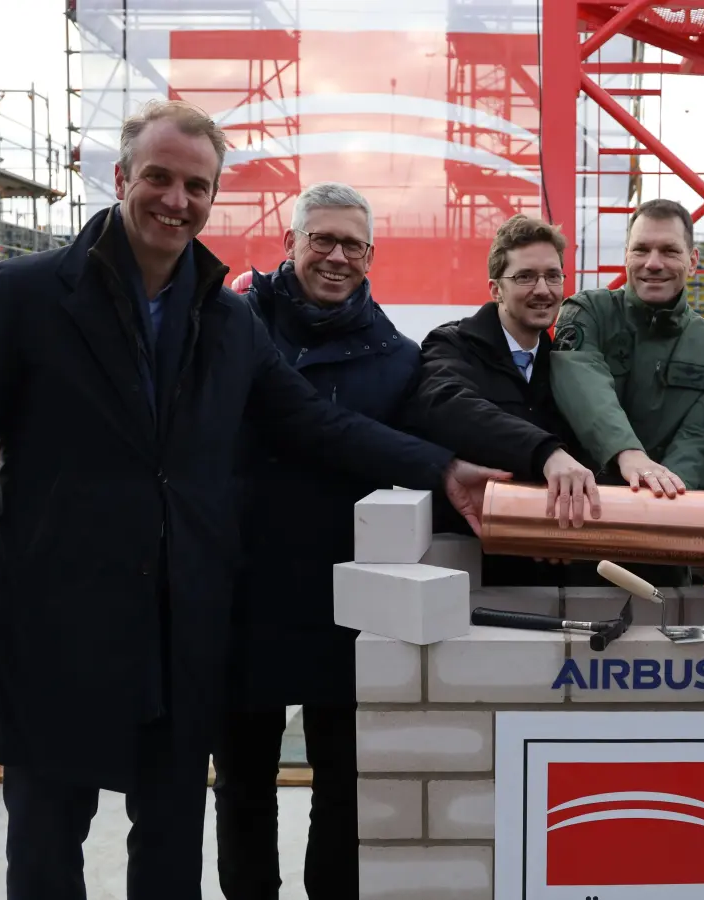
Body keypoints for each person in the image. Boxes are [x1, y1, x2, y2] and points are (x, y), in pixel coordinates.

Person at [0, 100, 504, 900]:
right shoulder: (24, 298)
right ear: (121, 178)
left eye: (196, 185)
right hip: (53, 625)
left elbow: (314, 424)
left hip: (180, 631)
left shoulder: (225, 321)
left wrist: (444, 470)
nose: (175, 200)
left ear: (213, 197)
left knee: (171, 849)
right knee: (47, 847)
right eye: (158, 177)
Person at [212, 182, 421, 899]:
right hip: (241, 592)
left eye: (352, 245)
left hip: (346, 602)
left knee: (345, 785)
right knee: (242, 784)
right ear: (289, 242)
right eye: (321, 240)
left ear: (371, 257)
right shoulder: (227, 327)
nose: (336, 256)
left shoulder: (396, 357)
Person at [402, 214, 601, 586]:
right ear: (495, 289)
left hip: (555, 573)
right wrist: (547, 453)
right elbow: (447, 405)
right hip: (464, 573)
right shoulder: (452, 345)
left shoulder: (567, 363)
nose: (543, 289)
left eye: (553, 276)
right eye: (525, 276)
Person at [550, 199, 704, 500]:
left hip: (661, 513)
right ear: (626, 255)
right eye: (641, 249)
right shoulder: (588, 312)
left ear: (692, 261)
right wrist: (627, 453)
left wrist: (660, 499)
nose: (653, 263)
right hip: (575, 505)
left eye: (669, 251)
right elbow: (581, 384)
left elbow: (697, 443)